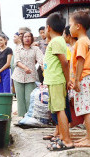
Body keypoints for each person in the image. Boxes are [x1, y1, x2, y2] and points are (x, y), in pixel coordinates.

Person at [44, 13, 74, 151]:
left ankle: (67, 140)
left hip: (57, 80)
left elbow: (64, 63)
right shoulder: (57, 41)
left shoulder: (56, 41)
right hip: (54, 80)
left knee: (59, 109)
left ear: (48, 27)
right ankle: (62, 137)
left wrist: (68, 80)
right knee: (57, 109)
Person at [69, 10, 90, 147]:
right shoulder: (84, 40)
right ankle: (88, 136)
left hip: (83, 78)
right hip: (84, 78)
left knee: (86, 110)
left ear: (78, 26)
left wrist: (76, 81)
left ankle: (89, 139)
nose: (69, 27)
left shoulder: (81, 42)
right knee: (85, 109)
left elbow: (80, 60)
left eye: (70, 24)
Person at [12, 32, 43, 117]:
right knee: (20, 99)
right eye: (25, 37)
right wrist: (25, 68)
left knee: (29, 98)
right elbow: (17, 61)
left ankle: (29, 117)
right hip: (18, 76)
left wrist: (44, 66)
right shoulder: (18, 48)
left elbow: (41, 60)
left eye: (29, 36)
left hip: (31, 77)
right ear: (22, 39)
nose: (27, 38)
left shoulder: (35, 49)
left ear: (32, 38)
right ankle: (22, 117)